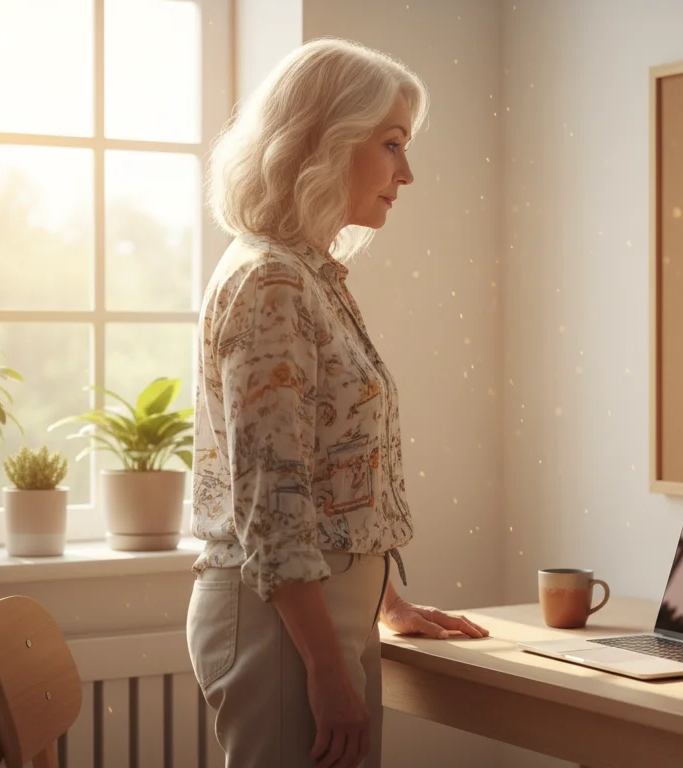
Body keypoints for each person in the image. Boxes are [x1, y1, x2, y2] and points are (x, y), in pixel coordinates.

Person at [186, 38, 487, 768]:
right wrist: (323, 666)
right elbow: (273, 500)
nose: (405, 173)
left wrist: (386, 602)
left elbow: (327, 474)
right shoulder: (273, 283)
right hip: (284, 631)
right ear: (326, 142)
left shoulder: (306, 274)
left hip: (315, 621)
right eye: (391, 145)